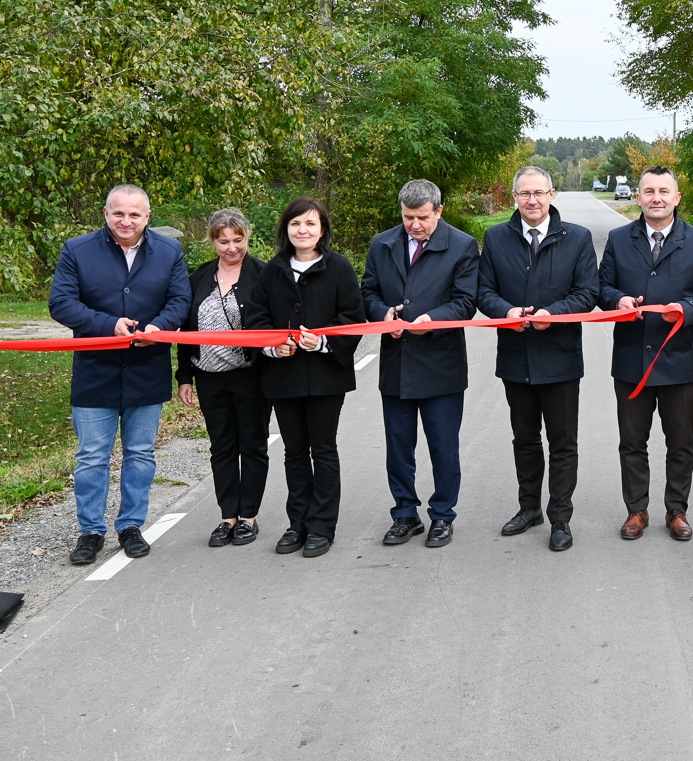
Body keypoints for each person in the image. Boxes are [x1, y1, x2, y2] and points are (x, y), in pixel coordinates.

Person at [48, 184, 192, 566]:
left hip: (148, 368)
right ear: (106, 213)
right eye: (118, 213)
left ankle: (131, 526)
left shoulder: (170, 251)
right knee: (92, 456)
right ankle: (90, 532)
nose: (125, 221)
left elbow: (180, 300)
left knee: (140, 453)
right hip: (95, 370)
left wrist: (159, 328)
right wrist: (107, 324)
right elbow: (60, 302)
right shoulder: (76, 250)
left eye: (134, 214)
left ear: (147, 217)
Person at [597, 165, 693, 541]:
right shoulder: (619, 239)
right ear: (638, 197)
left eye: (663, 191)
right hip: (631, 360)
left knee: (680, 441)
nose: (656, 198)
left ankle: (676, 509)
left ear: (676, 198)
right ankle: (636, 510)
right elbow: (602, 286)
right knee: (632, 441)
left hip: (680, 359)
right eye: (649, 191)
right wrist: (617, 299)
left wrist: (687, 310)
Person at [477, 167, 599, 552]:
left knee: (563, 443)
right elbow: (483, 291)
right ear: (514, 197)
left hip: (560, 357)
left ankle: (560, 517)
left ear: (552, 194)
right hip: (515, 356)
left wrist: (554, 313)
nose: (532, 200)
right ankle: (528, 508)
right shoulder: (496, 237)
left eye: (539, 193)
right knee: (525, 440)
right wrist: (505, 310)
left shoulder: (576, 238)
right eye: (524, 193)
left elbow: (587, 292)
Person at [241, 197, 366, 559]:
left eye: (311, 224)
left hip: (327, 377)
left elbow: (353, 317)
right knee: (294, 451)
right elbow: (256, 318)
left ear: (322, 230)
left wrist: (325, 340)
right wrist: (270, 346)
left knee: (323, 450)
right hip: (283, 376)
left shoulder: (339, 268)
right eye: (296, 224)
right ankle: (297, 523)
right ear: (286, 229)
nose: (303, 230)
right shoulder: (273, 270)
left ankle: (322, 527)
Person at [361, 179, 480, 549]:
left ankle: (442, 515)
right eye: (408, 217)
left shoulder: (461, 245)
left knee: (443, 447)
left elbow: (465, 302)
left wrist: (432, 320)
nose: (415, 225)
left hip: (440, 364)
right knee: (398, 447)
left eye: (423, 218)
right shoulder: (382, 244)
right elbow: (368, 291)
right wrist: (384, 314)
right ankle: (404, 514)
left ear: (438, 211)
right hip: (396, 364)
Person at [176, 209, 271, 548]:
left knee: (253, 445)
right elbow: (187, 330)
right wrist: (184, 375)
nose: (231, 248)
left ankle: (248, 517)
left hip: (251, 376)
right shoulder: (199, 277)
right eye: (223, 241)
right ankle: (227, 515)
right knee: (222, 447)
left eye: (238, 240)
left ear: (247, 236)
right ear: (212, 240)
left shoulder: (264, 273)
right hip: (209, 377)